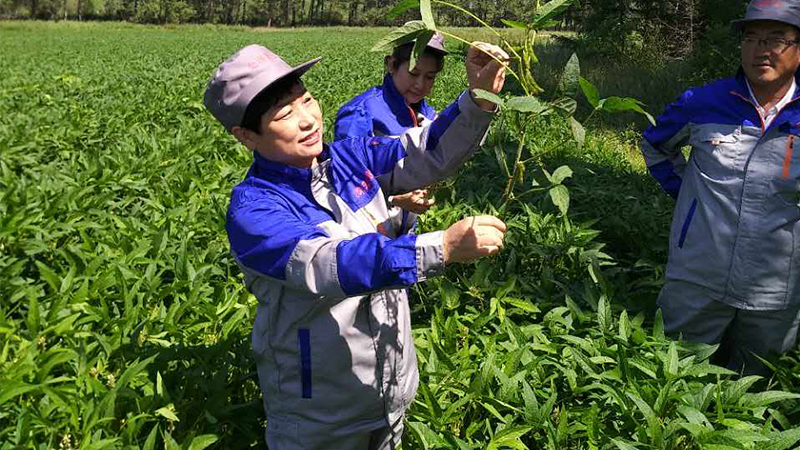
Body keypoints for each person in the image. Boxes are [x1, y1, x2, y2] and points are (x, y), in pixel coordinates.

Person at [203, 41, 509, 449]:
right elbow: (333, 264)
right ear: (245, 136)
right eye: (284, 114)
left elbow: (426, 149)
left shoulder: (348, 160)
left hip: (390, 389)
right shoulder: (256, 212)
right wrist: (440, 247)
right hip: (321, 412)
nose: (307, 120)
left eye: (306, 100)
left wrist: (479, 96)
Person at [640, 0, 800, 376]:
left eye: (777, 38)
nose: (762, 49)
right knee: (673, 374)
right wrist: (688, 197)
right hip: (697, 275)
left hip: (776, 289)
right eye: (751, 38)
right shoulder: (703, 102)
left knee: (757, 387)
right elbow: (654, 145)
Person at [335, 32, 450, 216]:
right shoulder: (361, 113)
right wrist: (393, 199)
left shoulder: (424, 113)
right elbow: (345, 179)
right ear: (391, 65)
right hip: (369, 225)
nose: (420, 84)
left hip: (404, 226)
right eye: (413, 73)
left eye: (429, 77)